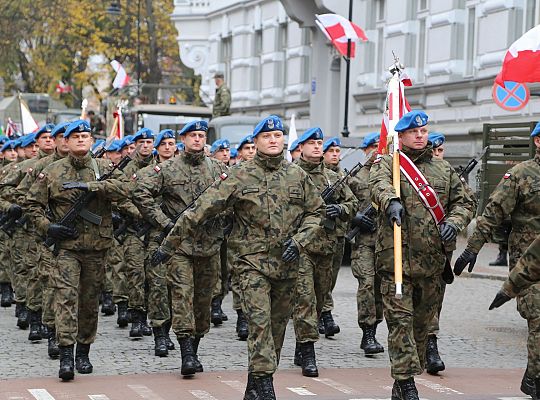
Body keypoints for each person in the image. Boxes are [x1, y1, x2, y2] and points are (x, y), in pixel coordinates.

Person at [151, 115, 324, 399]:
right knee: (259, 322)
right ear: (255, 142)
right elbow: (198, 212)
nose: (272, 140)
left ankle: (254, 384)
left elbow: (316, 213)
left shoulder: (298, 176)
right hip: (251, 264)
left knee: (277, 327)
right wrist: (168, 247)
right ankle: (266, 386)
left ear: (284, 141)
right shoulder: (239, 175)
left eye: (277, 136)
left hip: (288, 264)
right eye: (266, 137)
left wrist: (301, 240)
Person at [370, 110, 474, 400]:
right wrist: (390, 201)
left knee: (421, 328)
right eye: (413, 132)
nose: (420, 135)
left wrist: (454, 223)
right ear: (400, 136)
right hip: (396, 264)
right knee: (400, 326)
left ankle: (402, 382)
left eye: (424, 131)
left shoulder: (443, 170)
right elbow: (376, 186)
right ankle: (406, 383)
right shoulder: (387, 165)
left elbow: (465, 202)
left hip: (431, 265)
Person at [25, 120, 128, 381]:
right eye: (76, 137)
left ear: (92, 141)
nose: (81, 140)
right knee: (66, 300)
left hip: (97, 248)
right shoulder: (51, 171)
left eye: (86, 136)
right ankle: (66, 356)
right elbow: (31, 206)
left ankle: (84, 351)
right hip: (67, 249)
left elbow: (128, 189)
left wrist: (94, 187)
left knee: (89, 302)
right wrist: (50, 228)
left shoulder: (104, 168)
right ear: (66, 142)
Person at [133, 120, 227, 376]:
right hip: (180, 247)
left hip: (208, 245)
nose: (197, 139)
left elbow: (232, 198)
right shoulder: (167, 169)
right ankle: (186, 353)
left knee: (203, 302)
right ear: (182, 139)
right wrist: (165, 223)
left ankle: (194, 350)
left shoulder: (218, 168)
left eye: (201, 135)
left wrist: (222, 220)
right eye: (192, 135)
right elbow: (140, 193)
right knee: (182, 297)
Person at [454, 122, 540, 400]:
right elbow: (493, 212)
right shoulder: (520, 175)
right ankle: (537, 381)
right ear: (537, 142)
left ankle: (532, 375)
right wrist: (472, 248)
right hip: (528, 265)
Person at [292, 128, 357, 377]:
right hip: (301, 248)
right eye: (312, 143)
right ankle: (309, 351)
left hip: (327, 248)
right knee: (305, 299)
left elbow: (352, 204)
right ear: (301, 147)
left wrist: (338, 208)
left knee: (319, 299)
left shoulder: (332, 177)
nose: (318, 147)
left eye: (320, 143)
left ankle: (301, 343)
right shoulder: (291, 175)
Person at [348, 132, 386, 356]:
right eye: (373, 147)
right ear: (365, 150)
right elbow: (342, 206)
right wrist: (355, 218)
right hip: (363, 243)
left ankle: (377, 325)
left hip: (386, 243)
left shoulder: (392, 176)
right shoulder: (355, 179)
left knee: (382, 288)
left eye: (381, 147)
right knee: (367, 285)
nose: (378, 151)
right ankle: (368, 332)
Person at [318, 136, 347, 338]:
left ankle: (323, 310)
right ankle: (323, 313)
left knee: (330, 277)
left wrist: (341, 209)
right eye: (331, 151)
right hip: (312, 236)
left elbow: (352, 203)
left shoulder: (342, 176)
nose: (335, 155)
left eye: (338, 151)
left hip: (336, 234)